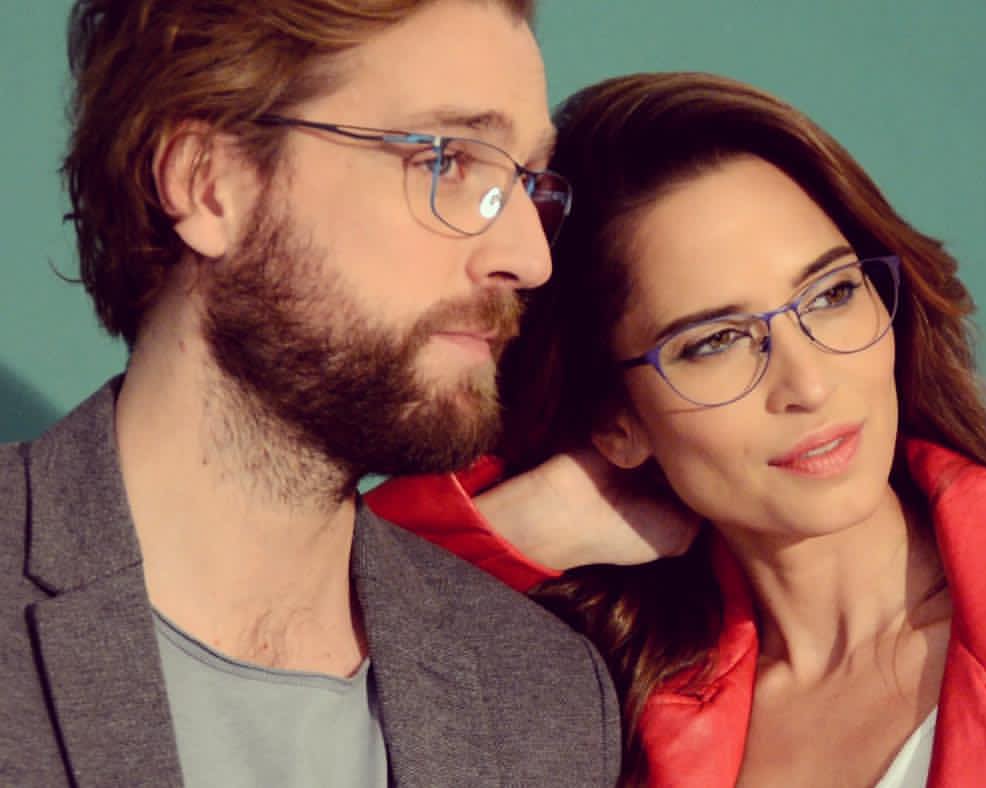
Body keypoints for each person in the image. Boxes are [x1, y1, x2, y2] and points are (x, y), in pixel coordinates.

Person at [368, 72, 986, 787]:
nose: (808, 385)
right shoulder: (596, 717)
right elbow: (331, 625)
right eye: (714, 342)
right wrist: (523, 530)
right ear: (616, 421)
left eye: (832, 294)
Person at [0, 2, 622, 786]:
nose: (529, 257)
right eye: (450, 162)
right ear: (209, 184)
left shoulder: (543, 701)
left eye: (528, 182)